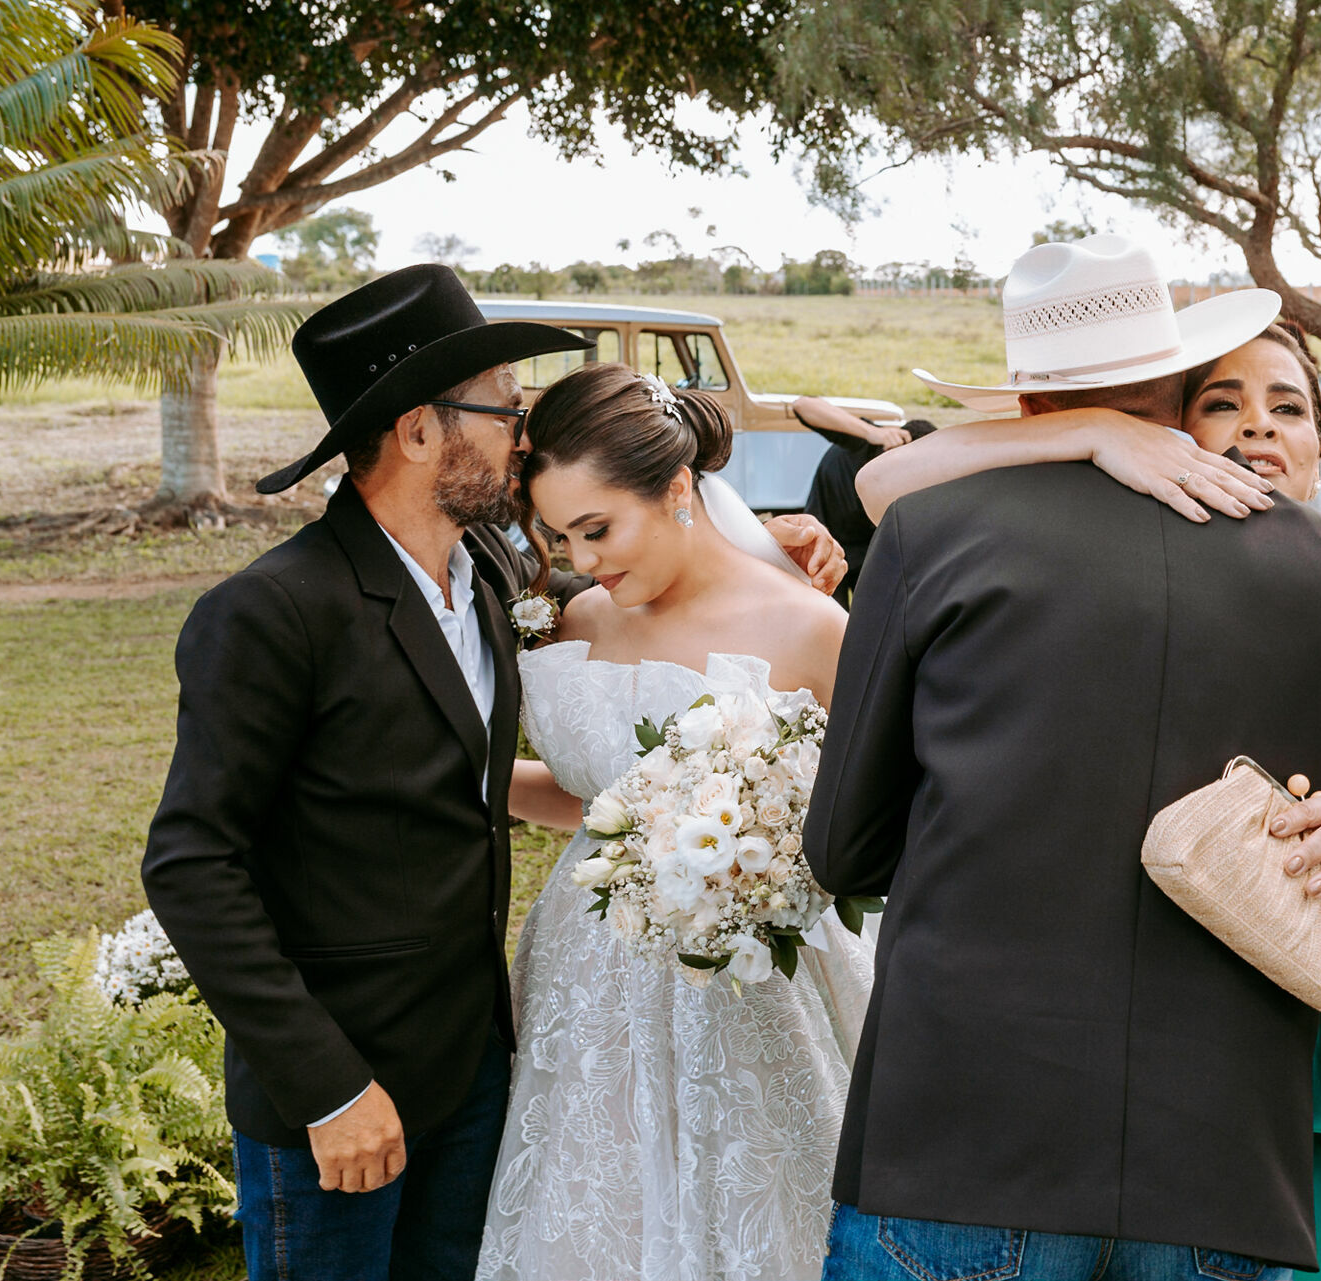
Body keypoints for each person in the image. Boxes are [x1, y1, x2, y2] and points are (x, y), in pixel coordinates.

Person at [805, 233, 1321, 1281]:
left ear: (1028, 400)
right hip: (1227, 1174)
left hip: (958, 1140)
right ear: (1182, 381)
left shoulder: (933, 536)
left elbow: (845, 849)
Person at [141, 267, 599, 1281]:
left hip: (470, 1069)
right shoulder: (272, 611)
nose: (523, 439)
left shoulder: (488, 571)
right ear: (420, 431)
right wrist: (328, 1088)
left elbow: (609, 592)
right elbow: (191, 864)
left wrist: (765, 552)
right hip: (341, 1100)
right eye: (507, 412)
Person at [477, 363, 874, 1281]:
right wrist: (464, 783)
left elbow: (871, 817)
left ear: (678, 488)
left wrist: (768, 872)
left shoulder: (811, 627)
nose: (583, 560)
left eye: (598, 529)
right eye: (560, 536)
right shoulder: (578, 619)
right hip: (588, 975)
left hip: (750, 978)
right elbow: (595, 804)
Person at [794, 396, 935, 604]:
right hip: (825, 544)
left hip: (869, 549)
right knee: (830, 612)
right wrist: (872, 432)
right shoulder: (868, 442)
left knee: (880, 612)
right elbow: (803, 405)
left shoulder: (926, 478)